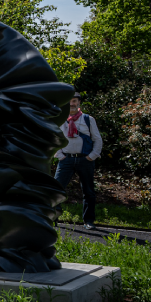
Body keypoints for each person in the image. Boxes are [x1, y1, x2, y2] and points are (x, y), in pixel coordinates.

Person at [55, 92, 103, 230]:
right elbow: (55, 139)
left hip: (85, 160)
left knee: (88, 192)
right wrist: (60, 155)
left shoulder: (88, 119)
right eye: (69, 101)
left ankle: (89, 221)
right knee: (56, 189)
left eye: (74, 101)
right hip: (66, 160)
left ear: (79, 103)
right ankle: (53, 218)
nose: (72, 103)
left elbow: (97, 139)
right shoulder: (61, 120)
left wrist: (91, 156)